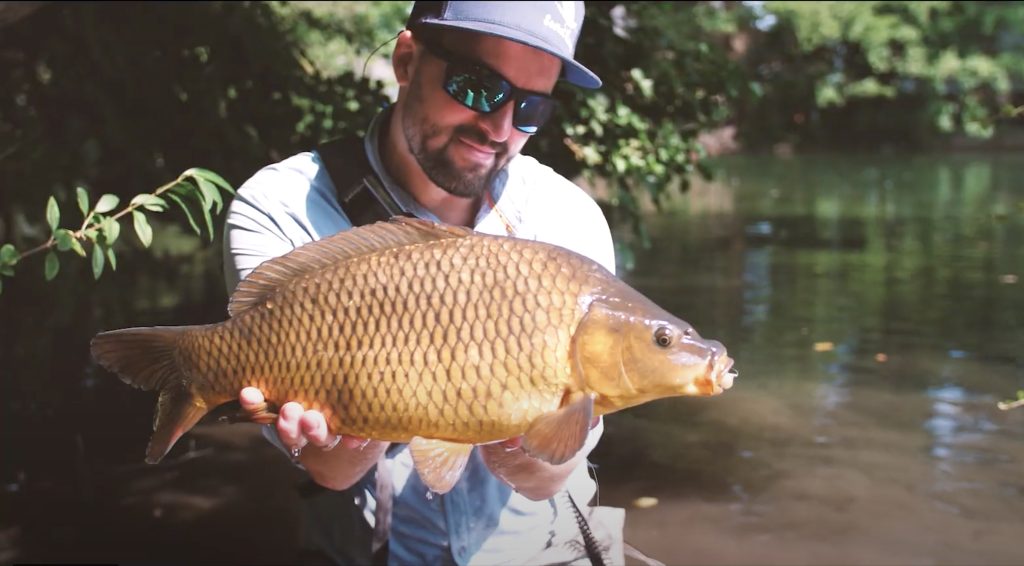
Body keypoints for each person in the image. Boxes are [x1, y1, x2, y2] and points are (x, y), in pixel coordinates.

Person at [221, 2, 623, 564]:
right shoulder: (283, 208)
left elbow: (544, 481)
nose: (500, 127)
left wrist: (525, 445)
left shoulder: (567, 222)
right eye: (478, 86)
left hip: (542, 551)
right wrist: (359, 409)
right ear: (406, 60)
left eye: (532, 106)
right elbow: (329, 471)